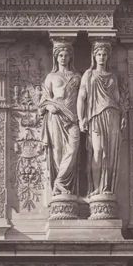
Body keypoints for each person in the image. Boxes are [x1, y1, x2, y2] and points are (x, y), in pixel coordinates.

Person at [77, 41, 126, 197]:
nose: (102, 57)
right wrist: (81, 118)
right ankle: (96, 188)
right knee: (97, 151)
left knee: (110, 154)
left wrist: (123, 115)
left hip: (112, 115)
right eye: (99, 54)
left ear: (108, 57)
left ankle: (106, 189)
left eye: (104, 54)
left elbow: (118, 98)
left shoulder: (113, 76)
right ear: (94, 56)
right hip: (95, 116)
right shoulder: (89, 74)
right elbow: (81, 97)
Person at [38, 43, 82, 197]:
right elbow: (44, 99)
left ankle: (60, 181)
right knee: (57, 152)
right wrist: (49, 107)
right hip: (55, 117)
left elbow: (84, 99)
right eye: (60, 55)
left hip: (73, 118)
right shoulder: (51, 77)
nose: (63, 58)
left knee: (73, 150)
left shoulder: (77, 77)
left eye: (66, 55)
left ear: (70, 57)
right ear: (56, 57)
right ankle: (59, 186)